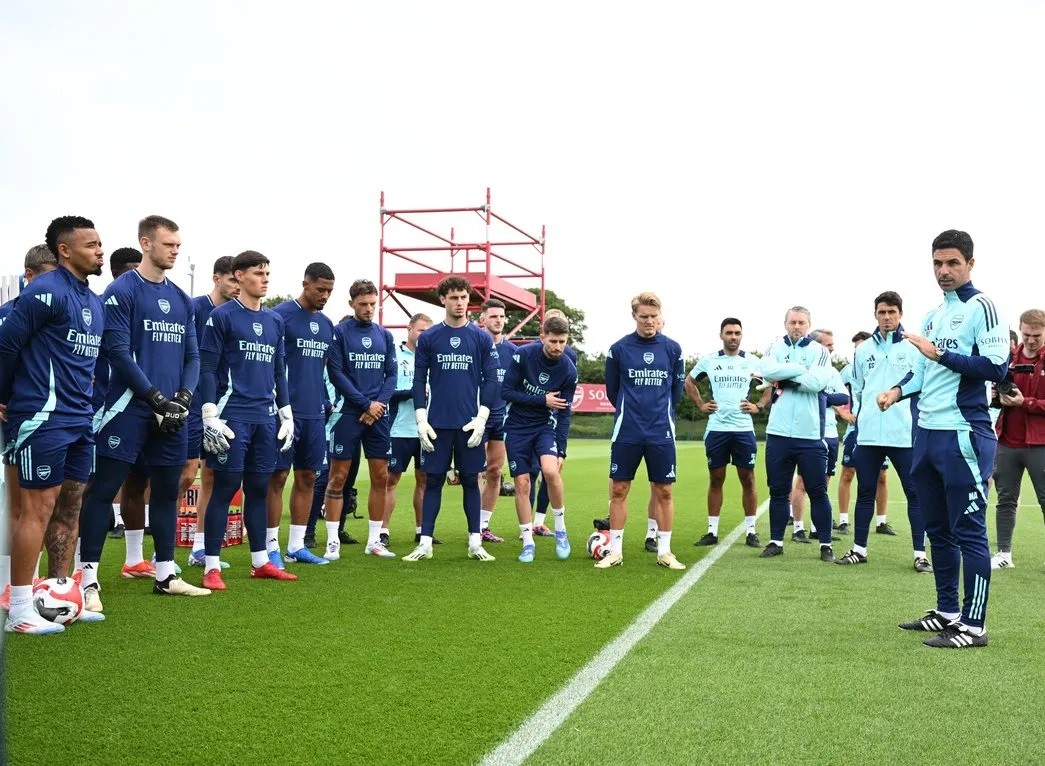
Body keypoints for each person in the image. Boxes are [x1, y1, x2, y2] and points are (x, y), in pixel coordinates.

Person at [881, 230, 1008, 648]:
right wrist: (897, 391)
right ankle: (948, 611)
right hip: (927, 435)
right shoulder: (934, 315)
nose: (944, 271)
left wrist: (941, 354)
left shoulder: (982, 307)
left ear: (971, 263)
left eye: (952, 262)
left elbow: (995, 367)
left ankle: (974, 626)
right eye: (938, 263)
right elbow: (922, 370)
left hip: (963, 434)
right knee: (938, 529)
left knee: (969, 531)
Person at [79, 215, 211, 611]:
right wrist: (156, 399)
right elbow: (117, 352)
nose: (175, 250)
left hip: (172, 411)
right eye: (169, 244)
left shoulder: (182, 299)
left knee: (168, 491)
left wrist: (183, 398)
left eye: (178, 245)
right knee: (104, 489)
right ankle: (87, 581)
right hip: (127, 408)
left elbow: (193, 354)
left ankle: (166, 573)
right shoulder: (122, 291)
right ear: (146, 243)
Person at [0, 216, 105, 634]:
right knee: (36, 510)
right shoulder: (45, 291)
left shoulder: (92, 301)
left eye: (100, 243)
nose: (100, 251)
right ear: (65, 250)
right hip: (42, 417)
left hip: (80, 419)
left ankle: (61, 593)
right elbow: (6, 345)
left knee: (70, 507)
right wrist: (4, 397)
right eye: (91, 244)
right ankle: (20, 608)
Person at [198, 250, 298, 589]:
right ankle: (211, 565)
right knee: (225, 488)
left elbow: (278, 370)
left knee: (259, 488)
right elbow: (208, 367)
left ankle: (260, 562)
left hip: (265, 418)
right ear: (239, 276)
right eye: (258, 272)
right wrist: (209, 410)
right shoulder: (222, 316)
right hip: (232, 416)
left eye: (267, 272)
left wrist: (286, 413)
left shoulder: (274, 321)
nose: (265, 278)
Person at [403, 275, 501, 562]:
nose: (460, 303)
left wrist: (482, 417)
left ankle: (475, 542)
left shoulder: (481, 338)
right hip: (437, 423)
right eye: (454, 297)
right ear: (443, 299)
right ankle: (425, 543)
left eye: (464, 297)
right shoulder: (430, 337)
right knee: (433, 481)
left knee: (472, 480)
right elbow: (419, 379)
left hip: (470, 424)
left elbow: (492, 381)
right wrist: (421, 419)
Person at [835, 291, 931, 572]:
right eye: (881, 312)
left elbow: (920, 385)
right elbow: (857, 390)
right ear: (875, 315)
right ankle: (859, 549)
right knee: (865, 492)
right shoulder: (863, 350)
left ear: (900, 314)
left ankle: (920, 554)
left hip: (904, 435)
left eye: (891, 312)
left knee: (915, 494)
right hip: (868, 435)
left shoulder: (914, 346)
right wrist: (850, 416)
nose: (887, 317)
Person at [597, 291, 686, 570]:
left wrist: (659, 412)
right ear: (634, 316)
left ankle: (665, 552)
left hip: (661, 431)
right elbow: (613, 391)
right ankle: (615, 551)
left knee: (664, 491)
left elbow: (677, 392)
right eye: (644, 316)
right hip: (628, 431)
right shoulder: (619, 349)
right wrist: (632, 411)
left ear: (660, 317)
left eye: (653, 316)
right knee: (620, 489)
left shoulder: (673, 349)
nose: (649, 321)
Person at [264, 264, 336, 567]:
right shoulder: (280, 315)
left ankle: (296, 546)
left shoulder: (328, 324)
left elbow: (320, 368)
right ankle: (269, 547)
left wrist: (324, 399)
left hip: (314, 413)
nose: (325, 295)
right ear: (305, 284)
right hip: (284, 412)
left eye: (330, 291)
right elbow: (269, 364)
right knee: (278, 477)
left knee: (308, 475)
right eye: (320, 289)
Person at [756, 306, 839, 562]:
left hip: (810, 434)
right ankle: (776, 541)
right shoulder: (774, 347)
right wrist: (798, 371)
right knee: (778, 490)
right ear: (785, 324)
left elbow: (818, 383)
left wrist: (784, 378)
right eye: (792, 322)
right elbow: (767, 372)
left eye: (802, 322)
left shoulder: (820, 351)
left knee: (817, 491)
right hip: (778, 433)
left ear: (808, 324)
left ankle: (825, 544)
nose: (797, 326)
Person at [0, 245, 58, 608]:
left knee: (52, 504)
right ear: (30, 276)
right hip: (19, 417)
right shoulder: (9, 313)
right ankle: (11, 583)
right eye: (51, 276)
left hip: (60, 420)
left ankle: (42, 580)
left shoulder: (62, 312)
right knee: (19, 503)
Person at [324, 279, 397, 559]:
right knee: (338, 477)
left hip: (378, 415)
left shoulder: (384, 335)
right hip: (348, 413)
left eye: (372, 304)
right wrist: (365, 403)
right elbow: (336, 374)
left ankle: (374, 540)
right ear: (351, 303)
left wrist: (377, 405)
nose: (368, 309)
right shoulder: (340, 332)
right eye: (363, 304)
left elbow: (391, 375)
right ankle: (332, 541)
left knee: (381, 476)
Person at [686, 317, 768, 549]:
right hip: (717, 429)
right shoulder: (710, 361)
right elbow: (689, 382)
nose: (733, 337)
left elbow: (770, 385)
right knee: (716, 478)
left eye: (737, 333)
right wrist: (701, 405)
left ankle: (751, 531)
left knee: (748, 478)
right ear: (721, 335)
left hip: (743, 429)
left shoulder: (752, 361)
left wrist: (758, 406)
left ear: (742, 336)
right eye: (729, 332)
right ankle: (711, 531)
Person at [501, 315, 578, 562]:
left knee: (551, 471)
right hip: (516, 427)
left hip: (545, 426)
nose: (557, 347)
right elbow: (506, 392)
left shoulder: (568, 369)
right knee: (522, 484)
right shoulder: (523, 356)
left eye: (562, 342)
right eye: (553, 341)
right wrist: (542, 399)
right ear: (542, 336)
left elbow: (564, 412)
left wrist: (562, 450)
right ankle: (527, 542)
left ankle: (561, 530)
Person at [184, 256, 239, 570]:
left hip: (224, 403)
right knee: (184, 474)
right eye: (230, 280)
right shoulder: (195, 308)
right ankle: (156, 549)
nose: (235, 286)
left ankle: (200, 547)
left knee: (213, 478)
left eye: (237, 280)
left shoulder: (236, 315)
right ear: (216, 278)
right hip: (193, 403)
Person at [989, 309, 1045, 569]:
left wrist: (1026, 403)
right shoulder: (1008, 358)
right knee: (1006, 499)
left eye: (1036, 335)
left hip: (1040, 442)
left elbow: (1032, 402)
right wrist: (997, 397)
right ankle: (1003, 555)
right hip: (1007, 439)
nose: (1031, 340)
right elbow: (996, 394)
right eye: (1026, 335)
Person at [788, 328, 852, 542]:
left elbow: (843, 396)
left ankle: (817, 528)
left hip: (831, 434)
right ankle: (798, 528)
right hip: (809, 433)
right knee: (802, 483)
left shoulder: (832, 372)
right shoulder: (802, 369)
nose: (832, 349)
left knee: (822, 484)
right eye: (828, 345)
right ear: (816, 346)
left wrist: (820, 395)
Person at [100, 247, 145, 543]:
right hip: (108, 402)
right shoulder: (107, 302)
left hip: (141, 402)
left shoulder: (146, 304)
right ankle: (84, 569)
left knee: (139, 478)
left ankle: (135, 557)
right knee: (102, 479)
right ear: (116, 272)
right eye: (131, 270)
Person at [384, 313, 435, 545]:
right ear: (410, 329)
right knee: (390, 479)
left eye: (428, 332)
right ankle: (382, 531)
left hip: (426, 429)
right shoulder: (395, 354)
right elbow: (385, 393)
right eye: (421, 330)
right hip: (398, 428)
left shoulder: (434, 357)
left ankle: (422, 531)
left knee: (424, 479)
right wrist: (412, 393)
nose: (424, 335)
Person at [836, 331, 890, 534]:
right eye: (855, 347)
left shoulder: (884, 364)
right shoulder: (847, 371)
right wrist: (843, 412)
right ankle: (843, 520)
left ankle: (881, 522)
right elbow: (832, 392)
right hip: (855, 430)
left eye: (862, 346)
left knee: (882, 476)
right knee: (848, 473)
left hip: (881, 429)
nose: (859, 350)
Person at [530, 308, 578, 536]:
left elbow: (566, 400)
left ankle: (539, 521)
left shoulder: (570, 357)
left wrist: (562, 446)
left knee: (551, 472)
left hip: (554, 419)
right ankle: (527, 524)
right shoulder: (530, 353)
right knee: (529, 472)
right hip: (530, 417)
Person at [477, 298, 516, 544]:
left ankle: (483, 526)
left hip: (502, 418)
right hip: (476, 417)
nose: (498, 320)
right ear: (483, 320)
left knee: (495, 472)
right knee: (473, 472)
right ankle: (473, 525)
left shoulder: (513, 352)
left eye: (501, 316)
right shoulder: (475, 346)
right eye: (493, 316)